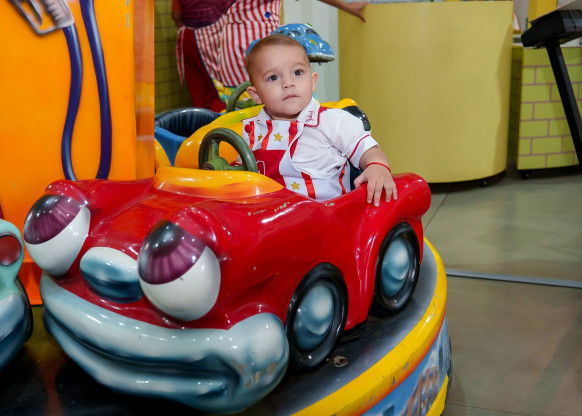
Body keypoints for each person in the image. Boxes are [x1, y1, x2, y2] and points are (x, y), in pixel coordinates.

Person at [241, 34, 396, 206]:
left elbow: (366, 148)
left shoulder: (331, 121)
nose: (288, 83)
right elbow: (242, 175)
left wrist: (377, 166)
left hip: (328, 213)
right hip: (271, 214)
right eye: (273, 77)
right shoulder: (251, 132)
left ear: (313, 81)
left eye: (297, 72)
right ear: (256, 95)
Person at [174, 0, 370, 108]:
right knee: (256, 102)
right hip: (247, 44)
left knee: (266, 100)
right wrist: (347, 6)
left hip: (248, 40)